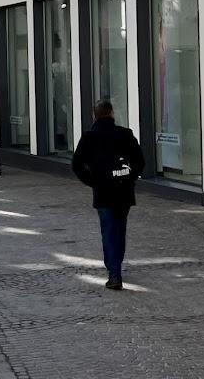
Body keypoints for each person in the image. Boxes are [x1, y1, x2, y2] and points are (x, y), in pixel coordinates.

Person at [71, 99, 146, 290]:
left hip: (103, 191)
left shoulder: (89, 137)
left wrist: (93, 181)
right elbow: (140, 161)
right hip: (123, 190)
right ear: (111, 113)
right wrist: (130, 178)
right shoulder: (125, 134)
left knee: (108, 230)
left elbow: (77, 165)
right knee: (119, 229)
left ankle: (114, 273)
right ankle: (116, 267)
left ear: (94, 115)